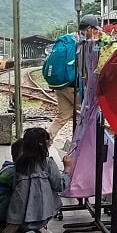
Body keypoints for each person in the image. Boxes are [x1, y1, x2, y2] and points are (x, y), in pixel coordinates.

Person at [0, 127, 73, 233]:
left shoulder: (19, 163)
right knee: (47, 189)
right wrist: (67, 168)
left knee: (24, 193)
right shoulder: (48, 163)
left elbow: (14, 185)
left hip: (18, 208)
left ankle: (15, 224)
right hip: (42, 208)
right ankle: (40, 225)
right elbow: (59, 185)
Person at [47, 15, 102, 147]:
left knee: (62, 116)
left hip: (61, 85)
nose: (96, 32)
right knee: (90, 113)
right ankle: (84, 147)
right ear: (89, 28)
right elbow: (86, 68)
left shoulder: (69, 38)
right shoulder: (83, 43)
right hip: (73, 87)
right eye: (95, 29)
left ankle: (44, 141)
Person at [0, 139, 23, 232]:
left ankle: (1, 222)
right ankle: (8, 223)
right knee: (18, 196)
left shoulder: (8, 167)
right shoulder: (13, 172)